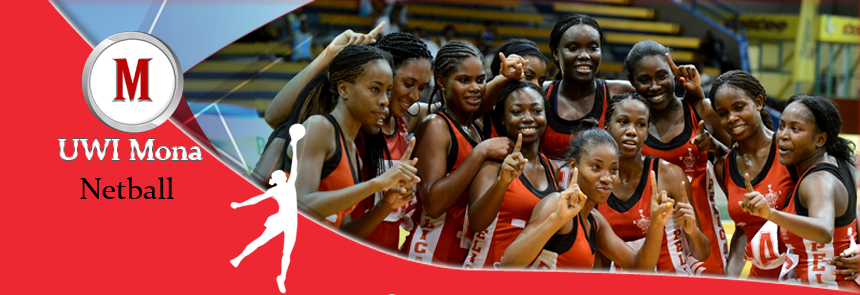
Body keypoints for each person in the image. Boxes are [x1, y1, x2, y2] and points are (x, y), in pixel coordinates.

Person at [403, 41, 520, 266]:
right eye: (464, 80)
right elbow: (433, 204)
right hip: (427, 253)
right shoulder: (436, 126)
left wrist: (506, 77)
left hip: (459, 255)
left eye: (480, 79)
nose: (475, 87)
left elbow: (483, 100)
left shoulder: (471, 126)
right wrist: (481, 152)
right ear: (441, 82)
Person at [287, 45, 418, 238]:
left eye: (388, 91)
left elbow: (345, 233)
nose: (384, 101)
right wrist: (377, 184)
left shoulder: (354, 153)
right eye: (375, 89)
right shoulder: (319, 127)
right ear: (343, 89)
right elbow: (300, 205)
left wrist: (386, 205)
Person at [624, 39, 731, 275]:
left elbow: (740, 158)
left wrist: (715, 147)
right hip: (650, 236)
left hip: (702, 230)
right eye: (644, 79)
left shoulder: (702, 110)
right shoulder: (628, 124)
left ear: (674, 75)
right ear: (632, 83)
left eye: (662, 76)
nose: (655, 86)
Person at [500, 126, 675, 270]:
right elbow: (508, 264)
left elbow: (639, 267)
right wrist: (556, 220)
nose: (607, 178)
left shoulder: (596, 221)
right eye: (596, 167)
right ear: (574, 166)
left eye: (613, 169)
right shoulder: (556, 203)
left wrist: (657, 224)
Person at [742, 95, 859, 291]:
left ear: (820, 139)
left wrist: (771, 214)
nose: (783, 135)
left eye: (795, 129)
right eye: (782, 126)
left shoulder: (817, 180)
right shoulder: (838, 162)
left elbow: (824, 231)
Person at [596, 93, 710, 274]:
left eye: (640, 124)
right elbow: (598, 261)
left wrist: (693, 231)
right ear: (606, 127)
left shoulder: (670, 175)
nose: (632, 131)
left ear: (647, 132)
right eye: (623, 122)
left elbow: (702, 253)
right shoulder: (596, 181)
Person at [700, 70, 797, 280]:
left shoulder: (790, 150)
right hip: (760, 278)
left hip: (801, 276)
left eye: (739, 107)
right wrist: (729, 280)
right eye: (723, 113)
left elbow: (834, 206)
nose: (732, 118)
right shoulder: (723, 167)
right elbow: (743, 228)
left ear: (759, 102)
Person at [462, 81, 560, 269]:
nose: (528, 118)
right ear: (503, 119)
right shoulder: (492, 164)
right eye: (517, 112)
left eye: (536, 111)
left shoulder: (551, 168)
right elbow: (477, 223)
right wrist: (502, 182)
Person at [543, 14, 635, 188]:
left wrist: (696, 96)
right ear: (556, 53)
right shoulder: (540, 94)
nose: (584, 55)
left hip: (604, 204)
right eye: (573, 48)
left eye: (593, 47)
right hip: (549, 204)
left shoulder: (622, 93)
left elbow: (669, 107)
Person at [229, 125, 305, 293]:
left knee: (287, 253)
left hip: (292, 223)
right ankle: (239, 257)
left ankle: (281, 277)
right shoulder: (276, 190)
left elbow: (295, 165)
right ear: (276, 178)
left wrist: (296, 142)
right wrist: (239, 204)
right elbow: (255, 200)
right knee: (260, 242)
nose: (278, 175)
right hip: (281, 220)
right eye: (276, 175)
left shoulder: (289, 183)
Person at [484, 39, 548, 138]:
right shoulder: (480, 115)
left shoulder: (542, 113)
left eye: (541, 81)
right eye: (528, 76)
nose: (536, 86)